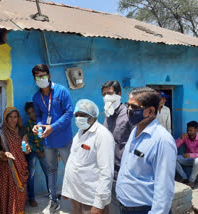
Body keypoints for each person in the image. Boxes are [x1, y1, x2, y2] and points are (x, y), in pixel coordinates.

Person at [116, 87, 177, 214]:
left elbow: (164, 187)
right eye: (128, 106)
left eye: (135, 107)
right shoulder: (135, 130)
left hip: (144, 209)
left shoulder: (162, 140)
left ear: (150, 111)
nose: (129, 111)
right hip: (124, 206)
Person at [31, 64, 73, 213]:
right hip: (48, 141)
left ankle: (75, 200)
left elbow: (69, 113)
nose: (41, 79)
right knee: (51, 170)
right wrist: (38, 126)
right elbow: (40, 116)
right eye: (38, 77)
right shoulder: (37, 97)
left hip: (63, 139)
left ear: (49, 75)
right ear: (34, 79)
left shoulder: (62, 91)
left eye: (43, 76)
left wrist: (52, 127)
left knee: (71, 168)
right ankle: (53, 201)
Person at [62, 99, 115, 214]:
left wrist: (99, 203)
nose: (78, 118)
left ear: (93, 117)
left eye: (83, 115)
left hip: (91, 200)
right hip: (76, 196)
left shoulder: (102, 135)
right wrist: (67, 190)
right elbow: (72, 161)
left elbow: (106, 171)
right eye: (77, 115)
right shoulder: (80, 132)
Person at [0, 107, 31, 214]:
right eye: (10, 117)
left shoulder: (22, 131)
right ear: (6, 119)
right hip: (4, 169)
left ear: (18, 118)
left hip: (20, 166)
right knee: (5, 193)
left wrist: (27, 149)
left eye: (15, 117)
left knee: (19, 192)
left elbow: (25, 150)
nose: (13, 120)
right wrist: (1, 154)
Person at [101, 80, 134, 214]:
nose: (106, 97)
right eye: (104, 95)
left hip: (125, 173)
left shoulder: (128, 115)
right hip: (110, 172)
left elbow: (135, 144)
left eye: (109, 93)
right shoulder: (108, 115)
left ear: (119, 94)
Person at [24, 102, 49, 207]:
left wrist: (44, 150)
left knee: (49, 171)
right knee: (31, 174)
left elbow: (48, 137)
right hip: (34, 151)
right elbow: (28, 141)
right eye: (29, 113)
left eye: (33, 111)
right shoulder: (29, 125)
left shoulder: (45, 122)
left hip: (45, 150)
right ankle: (31, 198)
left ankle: (52, 193)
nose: (32, 114)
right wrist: (38, 150)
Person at [176, 121, 198, 188]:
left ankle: (191, 181)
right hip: (189, 160)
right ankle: (184, 177)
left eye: (191, 130)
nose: (189, 132)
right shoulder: (186, 137)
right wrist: (181, 139)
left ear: (196, 130)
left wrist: (190, 155)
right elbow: (174, 147)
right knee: (173, 158)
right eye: (188, 130)